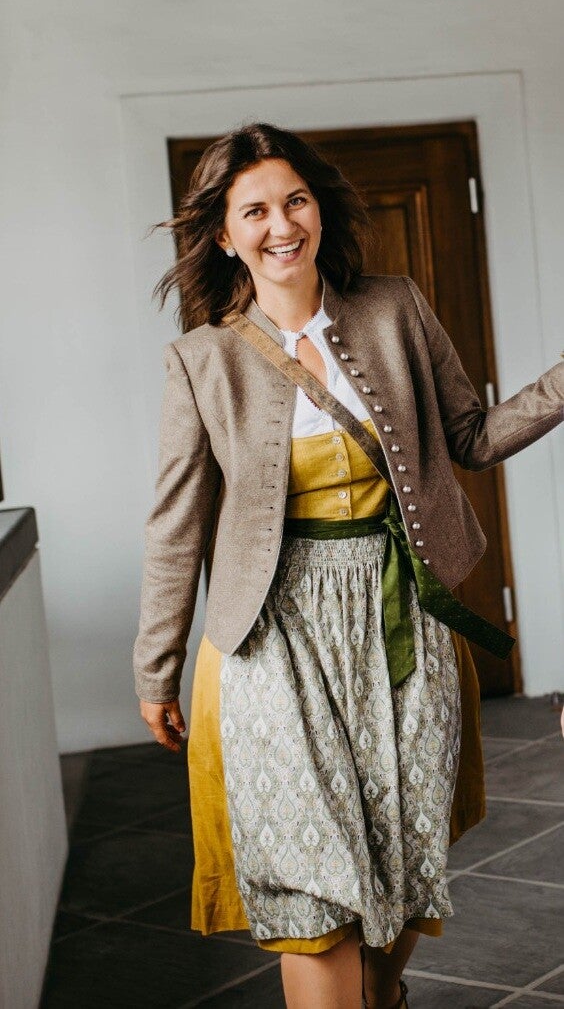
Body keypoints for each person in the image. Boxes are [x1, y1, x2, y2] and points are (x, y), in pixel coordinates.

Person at [132, 122, 564, 1009]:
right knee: (312, 882)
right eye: (255, 211)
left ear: (319, 210)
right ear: (225, 235)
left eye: (295, 200)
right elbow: (177, 524)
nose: (281, 224)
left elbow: (473, 437)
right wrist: (156, 668)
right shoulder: (202, 360)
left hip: (400, 618)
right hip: (272, 635)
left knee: (404, 851)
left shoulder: (394, 307)